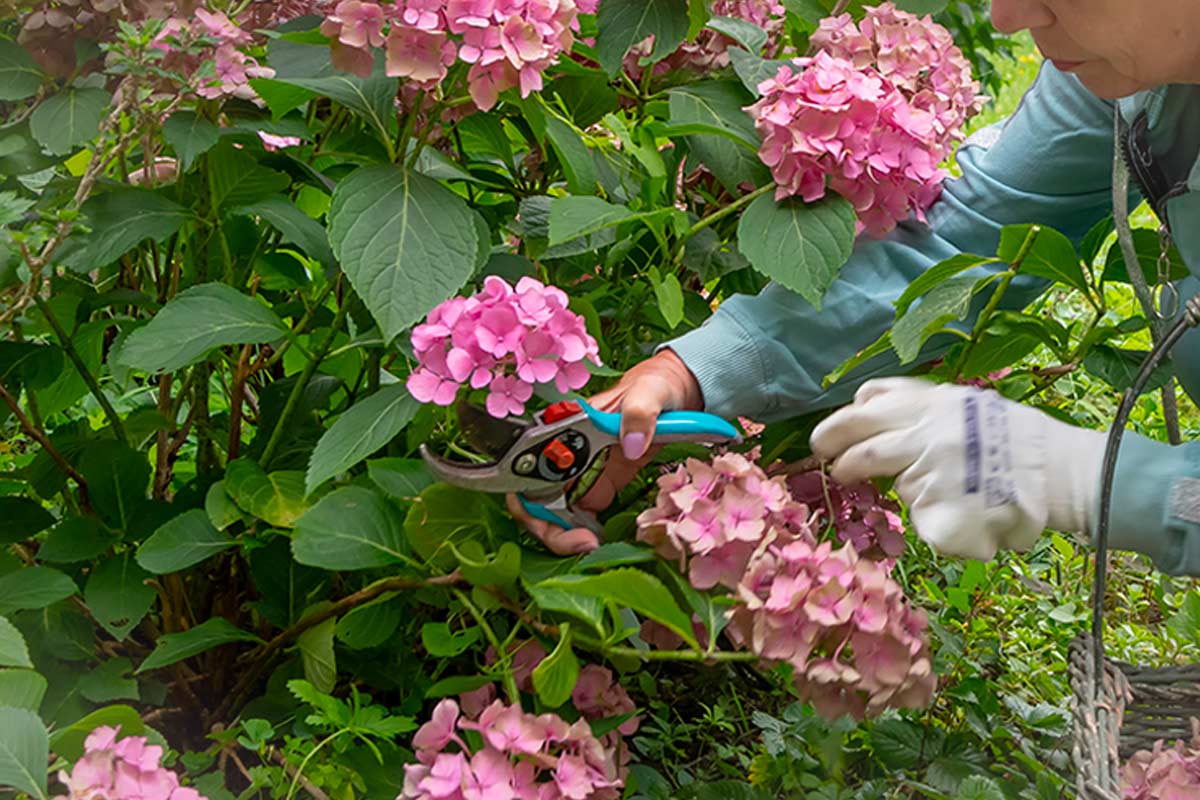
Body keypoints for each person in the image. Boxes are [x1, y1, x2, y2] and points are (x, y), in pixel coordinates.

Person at [511, 0, 1200, 576]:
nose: (1007, 17)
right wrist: (689, 373)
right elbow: (971, 239)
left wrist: (1086, 476)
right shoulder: (1134, 74)